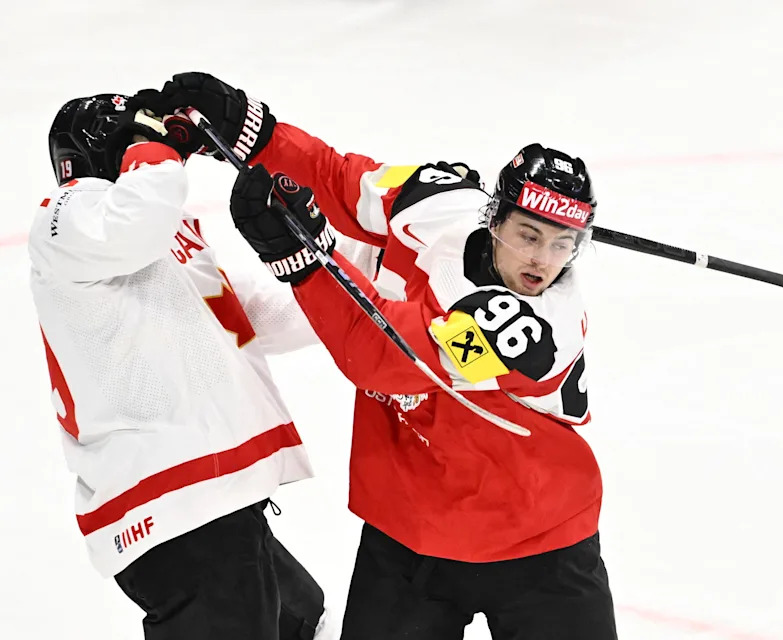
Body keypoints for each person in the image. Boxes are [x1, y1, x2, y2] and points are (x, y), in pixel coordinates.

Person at [144, 72, 618, 640]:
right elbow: (340, 181)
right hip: (409, 531)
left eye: (563, 243)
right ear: (493, 218)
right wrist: (253, 131)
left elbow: (386, 355)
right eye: (529, 234)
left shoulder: (532, 331)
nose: (542, 259)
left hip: (538, 544)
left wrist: (306, 260)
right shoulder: (438, 199)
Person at [30, 93, 330, 640]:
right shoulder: (69, 212)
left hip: (210, 498)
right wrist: (151, 149)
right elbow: (136, 220)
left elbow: (242, 319)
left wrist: (355, 282)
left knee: (301, 616)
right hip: (167, 504)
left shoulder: (157, 231)